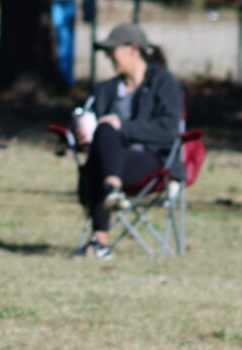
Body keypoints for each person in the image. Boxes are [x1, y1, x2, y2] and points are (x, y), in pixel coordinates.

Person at [72, 23, 184, 259]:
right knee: (102, 140)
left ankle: (100, 238)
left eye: (113, 50)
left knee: (103, 145)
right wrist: (78, 136)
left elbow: (168, 129)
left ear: (134, 49)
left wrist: (123, 127)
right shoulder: (105, 89)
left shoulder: (163, 83)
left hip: (152, 161)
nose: (109, 57)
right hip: (109, 161)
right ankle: (111, 191)